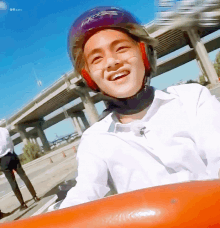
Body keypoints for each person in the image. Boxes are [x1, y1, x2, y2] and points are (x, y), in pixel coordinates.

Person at [60, 6, 220, 209]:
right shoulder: (94, 141)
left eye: (121, 48)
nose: (112, 62)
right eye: (97, 58)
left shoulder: (192, 98)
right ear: (89, 77)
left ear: (144, 53)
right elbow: (84, 192)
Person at [0, 127, 40, 210]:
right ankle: (35, 196)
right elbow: (10, 143)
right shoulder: (4, 130)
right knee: (24, 176)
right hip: (12, 155)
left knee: (13, 183)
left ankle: (23, 204)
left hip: (3, 160)